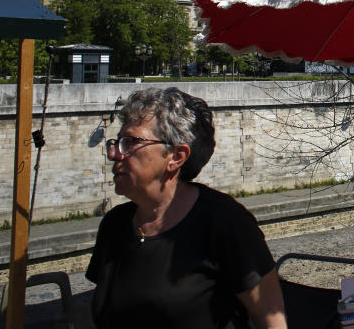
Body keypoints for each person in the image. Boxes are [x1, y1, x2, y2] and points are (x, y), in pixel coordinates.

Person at [86, 87, 287, 328]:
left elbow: (271, 320)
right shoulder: (114, 225)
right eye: (117, 142)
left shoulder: (224, 223)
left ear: (176, 157)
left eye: (130, 143)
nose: (113, 153)